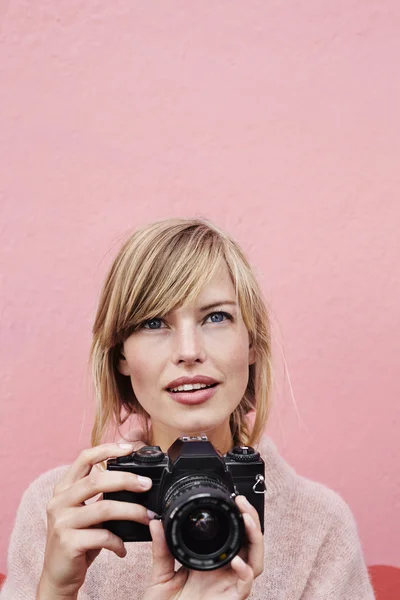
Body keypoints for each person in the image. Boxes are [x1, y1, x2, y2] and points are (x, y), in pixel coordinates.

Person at [1, 218, 375, 600]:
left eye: (216, 317)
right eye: (153, 322)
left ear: (251, 344)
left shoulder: (319, 525)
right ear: (121, 356)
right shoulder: (62, 510)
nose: (188, 351)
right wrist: (56, 591)